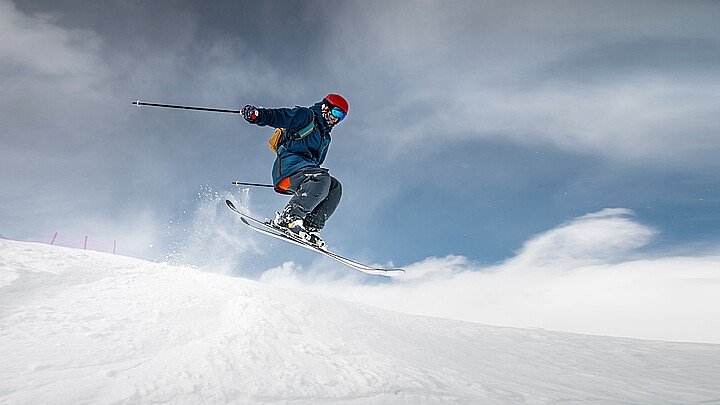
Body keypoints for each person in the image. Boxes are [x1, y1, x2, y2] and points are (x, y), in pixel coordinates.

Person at [240, 94, 349, 249]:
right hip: (287, 167)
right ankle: (289, 218)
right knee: (321, 177)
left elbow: (317, 162)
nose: (337, 119)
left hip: (305, 173)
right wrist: (257, 115)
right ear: (325, 107)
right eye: (337, 113)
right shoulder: (306, 116)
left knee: (335, 186)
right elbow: (279, 116)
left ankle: (311, 226)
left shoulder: (325, 138)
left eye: (342, 117)